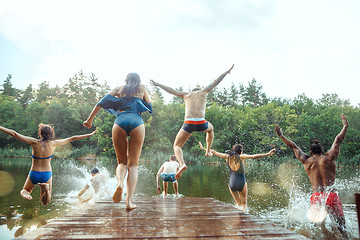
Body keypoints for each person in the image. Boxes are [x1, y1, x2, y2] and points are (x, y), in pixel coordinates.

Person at [150, 64, 234, 180]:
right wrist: (226, 72)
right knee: (211, 129)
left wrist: (159, 84)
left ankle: (182, 164)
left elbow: (172, 91)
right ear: (198, 91)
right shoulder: (204, 92)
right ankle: (208, 151)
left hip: (188, 123)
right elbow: (215, 82)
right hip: (201, 122)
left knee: (177, 145)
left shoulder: (187, 95)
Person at [83, 72, 152, 210]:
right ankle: (129, 202)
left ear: (126, 80)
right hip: (136, 121)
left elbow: (101, 103)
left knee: (122, 162)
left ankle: (119, 184)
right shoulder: (142, 88)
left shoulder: (118, 89)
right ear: (139, 81)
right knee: (133, 166)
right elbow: (149, 107)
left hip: (120, 121)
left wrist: (89, 119)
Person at [275, 113, 349, 237]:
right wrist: (345, 125)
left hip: (316, 197)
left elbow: (293, 146)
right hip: (331, 196)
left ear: (310, 152)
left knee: (315, 229)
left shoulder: (306, 160)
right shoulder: (329, 158)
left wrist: (281, 135)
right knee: (342, 228)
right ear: (322, 151)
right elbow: (338, 140)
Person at [0, 124, 96, 205]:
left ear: (40, 133)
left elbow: (14, 134)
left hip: (34, 172)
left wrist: (0, 127)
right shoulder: (54, 143)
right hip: (46, 174)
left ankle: (26, 193)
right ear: (51, 134)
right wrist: (89, 134)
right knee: (45, 202)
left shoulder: (34, 142)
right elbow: (73, 138)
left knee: (25, 190)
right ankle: (45, 189)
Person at [199, 141, 275, 212]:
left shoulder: (226, 156)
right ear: (240, 151)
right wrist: (267, 154)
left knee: (238, 204)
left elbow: (214, 152)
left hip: (231, 183)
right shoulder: (241, 157)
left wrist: (204, 149)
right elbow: (254, 156)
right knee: (244, 205)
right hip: (241, 182)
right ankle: (244, 219)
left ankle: (236, 218)